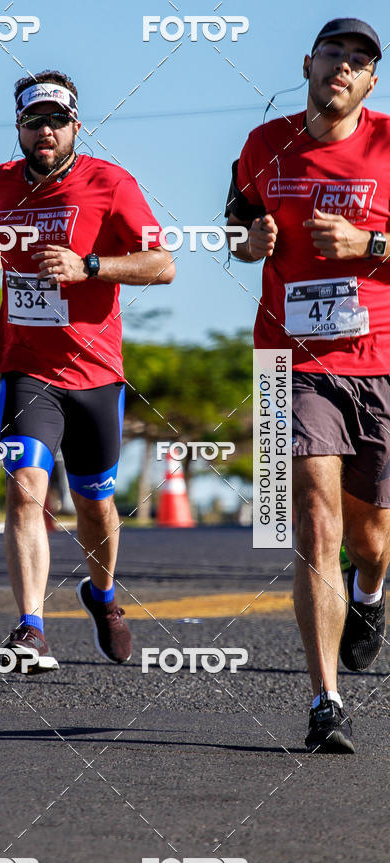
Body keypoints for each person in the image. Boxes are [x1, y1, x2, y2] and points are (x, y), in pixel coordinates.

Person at [0, 70, 175, 672]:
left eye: (57, 120)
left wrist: (91, 266)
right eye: (35, 121)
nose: (46, 131)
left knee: (94, 507)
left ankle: (103, 597)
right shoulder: (2, 180)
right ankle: (30, 628)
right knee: (25, 489)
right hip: (26, 366)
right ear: (19, 128)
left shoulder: (111, 183)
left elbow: (163, 264)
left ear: (75, 125)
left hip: (95, 372)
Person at [227, 18, 388, 753]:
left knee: (371, 538)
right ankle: (327, 702)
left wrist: (369, 244)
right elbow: (238, 219)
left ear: (371, 81)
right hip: (289, 362)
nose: (343, 68)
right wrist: (247, 242)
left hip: (380, 360)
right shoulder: (266, 143)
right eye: (333, 54)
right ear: (308, 64)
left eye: (359, 61)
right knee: (316, 522)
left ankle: (370, 591)